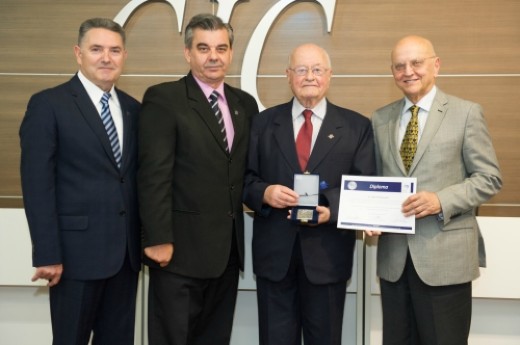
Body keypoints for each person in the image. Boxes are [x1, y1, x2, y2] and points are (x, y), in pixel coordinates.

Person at [369, 35, 502, 345]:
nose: (408, 71)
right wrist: (370, 215)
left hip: (446, 262)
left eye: (416, 63)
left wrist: (440, 200)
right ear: (393, 72)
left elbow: (489, 178)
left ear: (436, 65)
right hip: (395, 262)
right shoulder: (380, 118)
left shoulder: (466, 113)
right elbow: (375, 180)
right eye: (399, 65)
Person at [137, 13, 259, 345]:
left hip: (227, 255)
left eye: (221, 48)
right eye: (203, 48)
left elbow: (245, 173)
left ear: (231, 53)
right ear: (187, 53)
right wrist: (157, 238)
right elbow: (153, 175)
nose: (213, 56)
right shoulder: (165, 99)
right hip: (178, 253)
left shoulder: (244, 105)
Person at [243, 43, 376, 345]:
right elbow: (244, 180)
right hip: (275, 260)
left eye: (317, 69)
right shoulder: (263, 124)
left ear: (329, 76)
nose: (309, 77)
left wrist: (331, 209)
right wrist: (265, 193)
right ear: (288, 76)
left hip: (327, 259)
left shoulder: (356, 127)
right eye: (301, 70)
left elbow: (365, 186)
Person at [19, 18, 141, 344]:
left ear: (124, 56)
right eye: (96, 49)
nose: (106, 58)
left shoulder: (134, 109)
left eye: (115, 50)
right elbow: (36, 184)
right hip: (73, 258)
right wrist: (47, 252)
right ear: (78, 53)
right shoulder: (48, 105)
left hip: (125, 259)